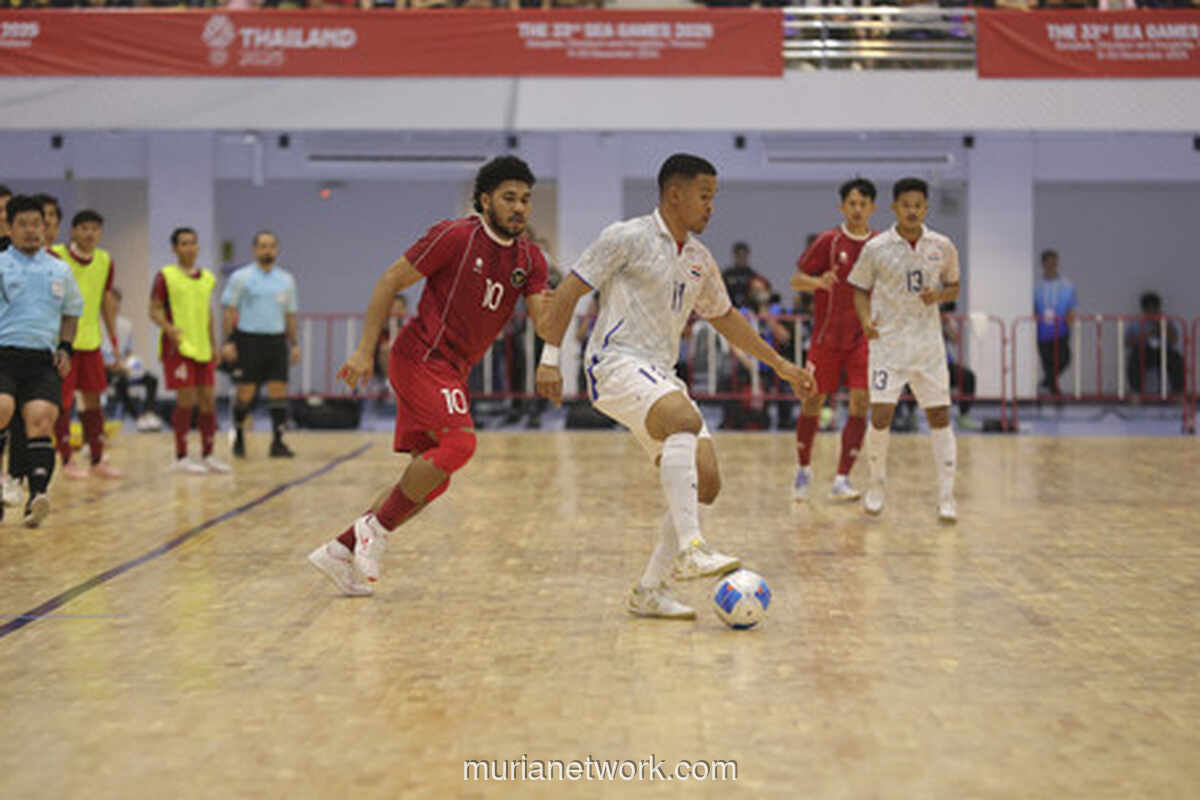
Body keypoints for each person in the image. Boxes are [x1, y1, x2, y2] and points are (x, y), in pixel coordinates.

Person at [535, 153, 815, 620]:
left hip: (661, 374)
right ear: (674, 194)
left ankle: (650, 590)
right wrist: (549, 359)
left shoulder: (699, 260)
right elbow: (567, 293)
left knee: (705, 482)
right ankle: (692, 548)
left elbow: (726, 318)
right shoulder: (626, 237)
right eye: (705, 196)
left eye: (714, 198)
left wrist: (781, 364)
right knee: (684, 419)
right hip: (615, 363)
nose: (711, 207)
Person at [307, 155, 551, 596]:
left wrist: (580, 290)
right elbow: (389, 280)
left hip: (453, 371)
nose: (519, 207)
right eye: (509, 198)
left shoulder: (530, 258)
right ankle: (374, 529)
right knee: (460, 443)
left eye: (526, 200)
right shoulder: (455, 235)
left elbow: (545, 321)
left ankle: (341, 550)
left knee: (433, 479)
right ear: (485, 200)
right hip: (420, 356)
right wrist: (364, 351)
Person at [849, 177, 959, 522]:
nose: (912, 211)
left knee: (939, 416)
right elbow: (860, 289)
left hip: (928, 347)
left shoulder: (942, 245)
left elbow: (954, 286)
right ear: (895, 207)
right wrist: (866, 319)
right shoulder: (876, 247)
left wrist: (938, 296)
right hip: (888, 346)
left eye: (918, 205)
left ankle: (946, 496)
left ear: (925, 208)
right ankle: (876, 484)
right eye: (905, 205)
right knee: (880, 414)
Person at [790, 178, 878, 503]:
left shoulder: (880, 246)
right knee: (813, 402)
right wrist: (817, 282)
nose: (857, 209)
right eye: (851, 203)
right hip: (825, 338)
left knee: (861, 401)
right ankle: (803, 469)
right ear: (842, 207)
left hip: (861, 339)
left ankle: (842, 478)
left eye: (863, 204)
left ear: (872, 208)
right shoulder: (828, 241)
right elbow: (796, 280)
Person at [0, 195, 83, 526]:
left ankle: (36, 497)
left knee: (42, 419)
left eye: (38, 224)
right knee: (2, 408)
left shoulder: (59, 269)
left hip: (41, 359)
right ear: (9, 227)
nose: (32, 231)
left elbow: (71, 314)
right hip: (3, 354)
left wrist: (66, 347)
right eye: (24, 224)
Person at [52, 209, 123, 479]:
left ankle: (97, 458)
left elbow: (105, 301)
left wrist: (113, 339)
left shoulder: (105, 260)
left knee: (94, 401)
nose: (90, 233)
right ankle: (67, 458)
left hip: (91, 342)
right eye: (84, 228)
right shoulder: (56, 255)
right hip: (63, 342)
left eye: (95, 228)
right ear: (73, 231)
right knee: (64, 402)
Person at [151, 227, 229, 474]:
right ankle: (181, 456)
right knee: (187, 399)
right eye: (184, 243)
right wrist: (169, 329)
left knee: (208, 400)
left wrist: (214, 344)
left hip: (203, 347)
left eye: (193, 243)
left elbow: (206, 313)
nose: (189, 248)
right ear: (175, 248)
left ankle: (208, 454)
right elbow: (154, 309)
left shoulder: (206, 278)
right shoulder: (166, 276)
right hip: (179, 347)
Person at [220, 230, 300, 459]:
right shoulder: (241, 278)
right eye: (263, 246)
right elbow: (229, 312)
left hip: (276, 341)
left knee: (278, 391)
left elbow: (290, 315)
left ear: (277, 249)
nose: (268, 250)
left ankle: (277, 442)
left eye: (272, 246)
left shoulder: (286, 280)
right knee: (246, 392)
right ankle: (239, 436)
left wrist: (293, 344)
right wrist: (229, 342)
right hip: (249, 340)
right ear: (255, 250)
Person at [101, 287, 164, 432]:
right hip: (105, 369)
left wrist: (131, 364)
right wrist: (112, 365)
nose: (113, 305)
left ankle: (148, 414)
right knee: (120, 382)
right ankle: (137, 418)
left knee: (151, 379)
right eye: (110, 302)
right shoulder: (97, 325)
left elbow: (128, 352)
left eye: (116, 302)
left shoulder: (125, 325)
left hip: (123, 367)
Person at [1033, 249, 1076, 396]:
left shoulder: (1067, 286)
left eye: (1054, 262)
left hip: (1061, 331)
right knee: (1048, 364)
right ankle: (1054, 390)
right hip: (1042, 332)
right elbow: (1033, 308)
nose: (1052, 265)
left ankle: (1046, 383)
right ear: (1043, 264)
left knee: (1064, 359)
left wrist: (1070, 322)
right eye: (1048, 262)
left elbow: (1071, 307)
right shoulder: (1036, 287)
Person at [1126, 291, 1184, 396]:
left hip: (1164, 352)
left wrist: (1162, 328)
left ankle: (1178, 393)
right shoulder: (1136, 323)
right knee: (1134, 360)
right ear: (1144, 310)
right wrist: (1146, 335)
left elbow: (1174, 340)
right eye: (1149, 309)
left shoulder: (1166, 321)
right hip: (1143, 352)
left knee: (1177, 360)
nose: (1152, 312)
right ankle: (1136, 393)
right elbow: (1128, 343)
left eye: (1155, 308)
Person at [721, 241, 759, 310]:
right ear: (735, 256)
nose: (741, 259)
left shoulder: (753, 276)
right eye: (739, 255)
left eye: (743, 256)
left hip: (749, 311)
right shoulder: (726, 275)